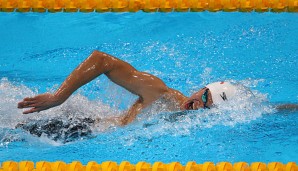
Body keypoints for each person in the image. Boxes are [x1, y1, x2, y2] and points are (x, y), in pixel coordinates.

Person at [18, 50, 297, 127]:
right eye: (203, 96)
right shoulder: (163, 96)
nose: (197, 104)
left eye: (207, 107)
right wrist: (58, 97)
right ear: (201, 88)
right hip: (76, 129)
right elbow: (100, 60)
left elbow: (263, 111)